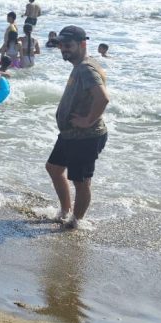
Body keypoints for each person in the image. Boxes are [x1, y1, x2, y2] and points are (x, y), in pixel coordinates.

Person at [45, 26, 109, 229]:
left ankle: (75, 221)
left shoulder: (86, 69)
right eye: (62, 46)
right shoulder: (81, 65)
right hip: (70, 134)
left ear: (82, 44)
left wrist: (88, 120)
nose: (64, 49)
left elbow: (103, 98)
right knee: (54, 168)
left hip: (85, 136)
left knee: (81, 182)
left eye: (68, 45)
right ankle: (65, 211)